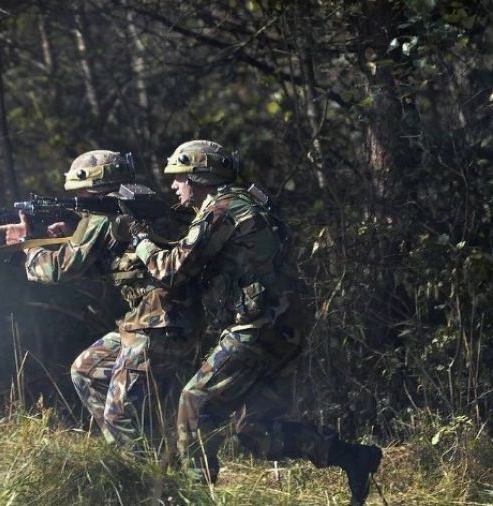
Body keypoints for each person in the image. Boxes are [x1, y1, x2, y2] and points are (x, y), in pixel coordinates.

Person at [126, 140, 383, 505]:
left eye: (179, 178)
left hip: (260, 326)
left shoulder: (222, 209)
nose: (174, 186)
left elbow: (171, 270)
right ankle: (351, 457)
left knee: (195, 400)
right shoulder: (240, 203)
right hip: (284, 326)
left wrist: (139, 240)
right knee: (254, 431)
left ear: (199, 177)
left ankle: (195, 498)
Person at [0, 150, 203, 449]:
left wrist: (27, 248)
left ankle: (146, 481)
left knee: (120, 414)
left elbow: (58, 270)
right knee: (88, 370)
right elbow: (116, 265)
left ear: (94, 186)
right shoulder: (138, 206)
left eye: (81, 194)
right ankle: (152, 461)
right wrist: (72, 236)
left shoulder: (105, 214)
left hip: (158, 324)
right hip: (164, 321)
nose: (78, 202)